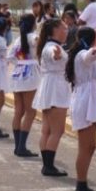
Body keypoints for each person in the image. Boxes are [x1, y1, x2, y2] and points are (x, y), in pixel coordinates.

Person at [66, 27, 96, 191]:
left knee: (91, 146)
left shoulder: (80, 53)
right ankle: (80, 185)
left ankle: (83, 184)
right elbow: (89, 56)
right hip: (85, 100)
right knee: (85, 147)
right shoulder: (82, 54)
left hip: (90, 99)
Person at [33, 19, 70, 177]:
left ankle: (47, 164)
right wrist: (56, 55)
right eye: (64, 28)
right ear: (55, 30)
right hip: (56, 89)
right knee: (57, 130)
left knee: (47, 130)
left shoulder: (49, 46)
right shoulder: (52, 47)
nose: (66, 31)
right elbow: (53, 54)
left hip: (49, 87)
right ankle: (48, 166)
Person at [8, 14, 40, 157]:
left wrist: (20, 63)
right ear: (33, 24)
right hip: (30, 75)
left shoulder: (17, 40)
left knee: (18, 111)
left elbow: (10, 57)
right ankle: (21, 146)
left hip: (17, 73)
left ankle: (17, 146)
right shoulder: (33, 37)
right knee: (30, 112)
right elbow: (38, 42)